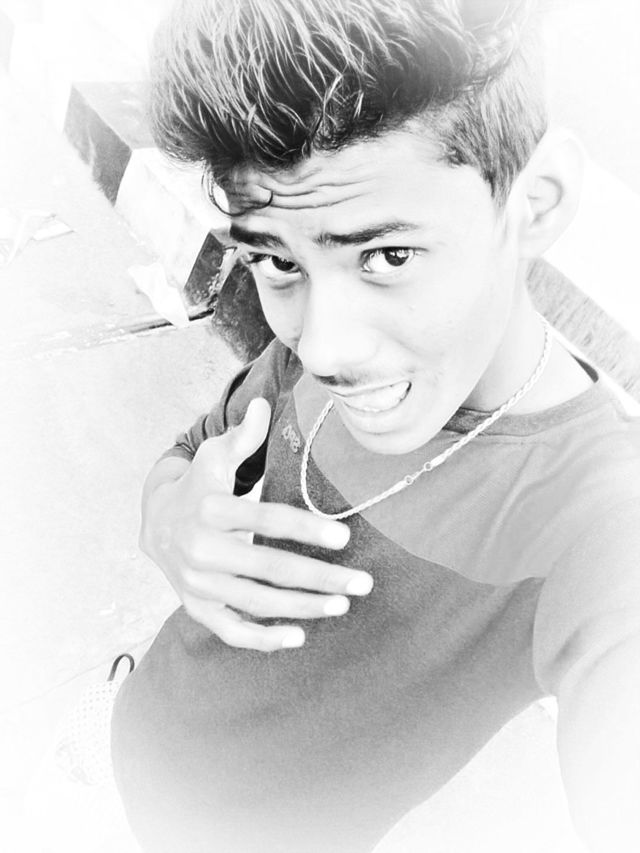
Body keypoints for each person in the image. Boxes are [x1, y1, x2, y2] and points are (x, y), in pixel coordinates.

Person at [111, 1, 640, 850]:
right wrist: (165, 511)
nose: (323, 347)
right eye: (275, 260)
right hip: (122, 736)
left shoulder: (599, 522)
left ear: (536, 204)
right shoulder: (304, 352)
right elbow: (191, 453)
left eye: (386, 256)